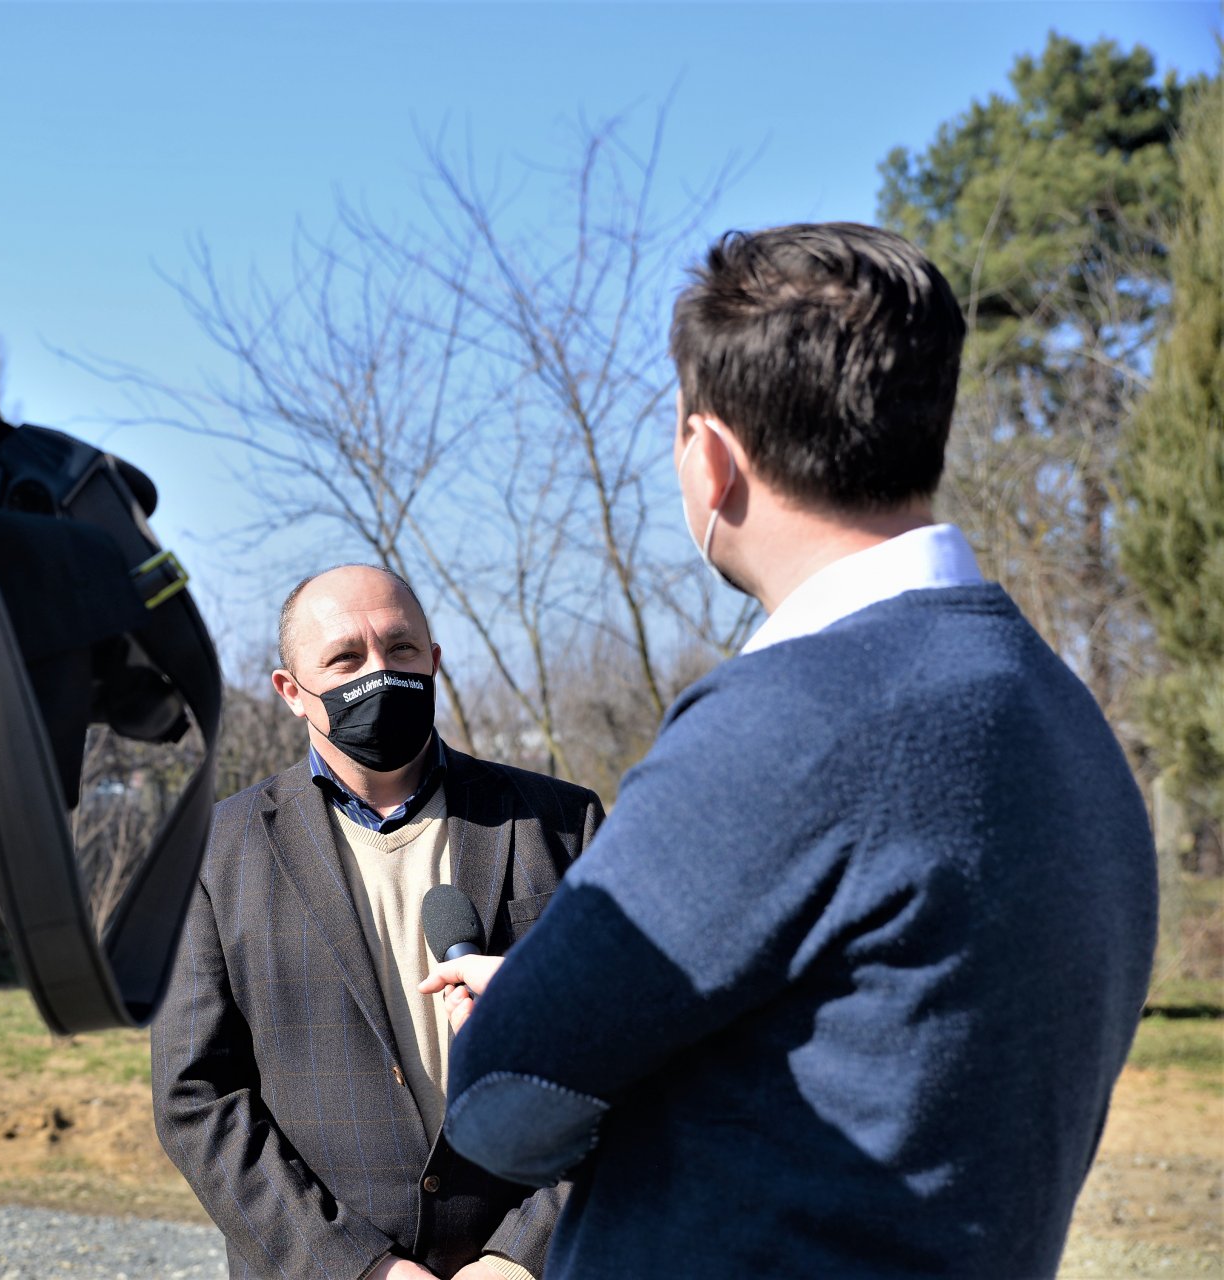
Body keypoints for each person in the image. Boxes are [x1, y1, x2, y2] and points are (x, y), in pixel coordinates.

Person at [425, 223, 1158, 1278]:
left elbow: (503, 1104)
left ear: (711, 456)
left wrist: (530, 1015)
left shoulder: (784, 721)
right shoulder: (1062, 716)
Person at [152, 563, 605, 1280]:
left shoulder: (563, 823)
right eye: (345, 658)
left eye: (400, 648)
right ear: (291, 691)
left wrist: (519, 1258)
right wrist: (360, 1268)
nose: (380, 674)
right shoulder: (212, 852)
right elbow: (195, 1097)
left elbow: (626, 1055)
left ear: (434, 660)